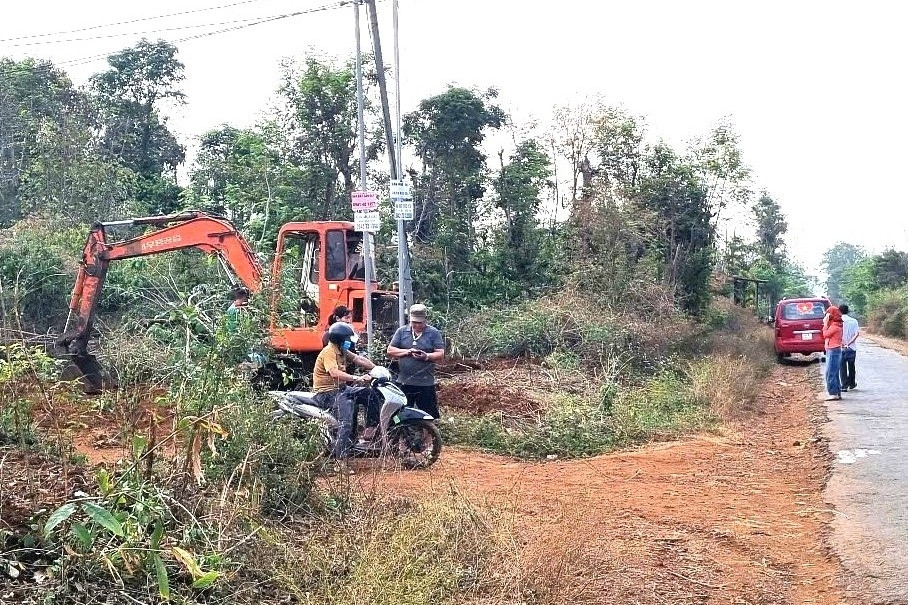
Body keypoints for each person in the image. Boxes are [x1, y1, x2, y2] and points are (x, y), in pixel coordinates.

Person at [312, 322, 375, 459]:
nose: (349, 342)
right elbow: (334, 373)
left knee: (370, 394)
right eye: (347, 339)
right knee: (345, 423)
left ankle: (370, 429)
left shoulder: (341, 350)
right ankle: (341, 460)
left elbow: (358, 359)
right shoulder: (329, 352)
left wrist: (376, 368)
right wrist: (357, 377)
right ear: (340, 339)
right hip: (327, 393)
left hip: (341, 389)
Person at [386, 303, 445, 419]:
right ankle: (403, 436)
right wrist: (407, 352)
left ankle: (427, 436)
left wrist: (426, 356)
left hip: (425, 382)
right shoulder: (402, 331)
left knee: (429, 415)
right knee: (399, 415)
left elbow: (440, 353)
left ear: (425, 320)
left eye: (420, 322)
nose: (417, 325)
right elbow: (390, 350)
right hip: (404, 381)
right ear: (410, 320)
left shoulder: (433, 333)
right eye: (414, 322)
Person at [822, 305, 844, 401]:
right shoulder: (837, 324)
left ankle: (833, 393)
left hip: (833, 350)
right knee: (834, 372)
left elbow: (825, 334)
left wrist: (825, 324)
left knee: (830, 373)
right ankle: (837, 392)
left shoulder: (834, 326)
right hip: (834, 350)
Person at [839, 304, 860, 391]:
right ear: (848, 311)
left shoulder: (838, 321)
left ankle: (844, 385)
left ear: (839, 311)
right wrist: (849, 342)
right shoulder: (854, 321)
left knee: (842, 366)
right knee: (851, 366)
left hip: (841, 347)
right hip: (851, 347)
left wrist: (842, 343)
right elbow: (857, 334)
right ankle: (852, 383)